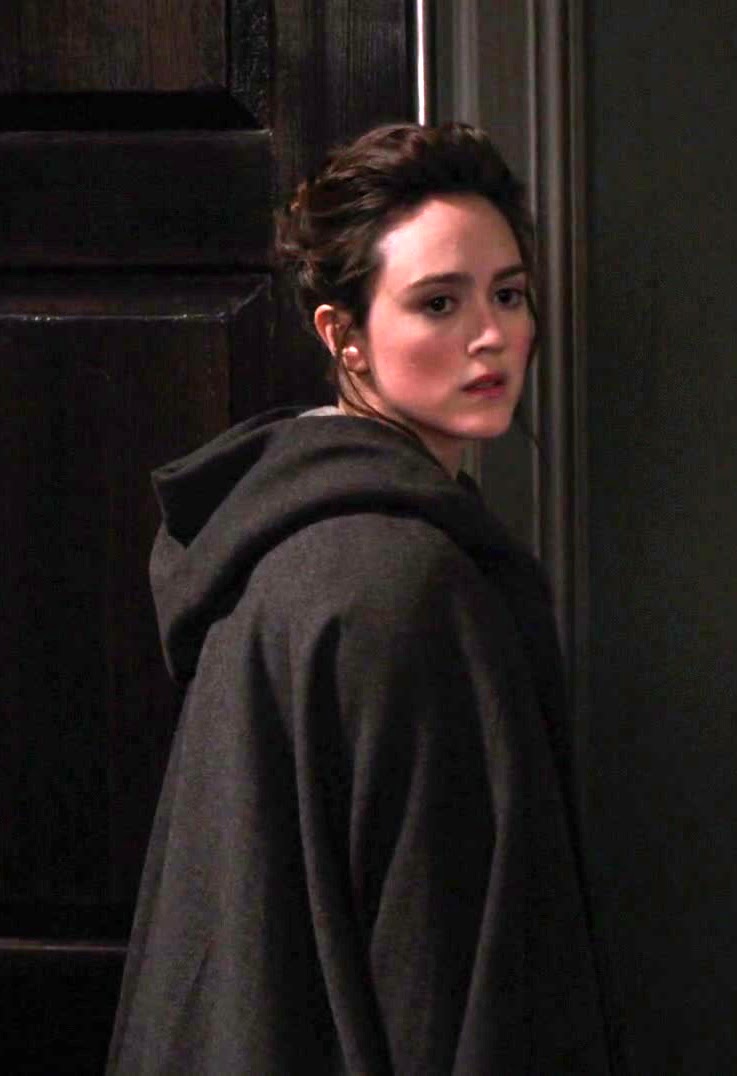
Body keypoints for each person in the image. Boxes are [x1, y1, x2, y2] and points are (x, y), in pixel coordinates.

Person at [107, 123, 611, 1074]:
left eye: (507, 293)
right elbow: (446, 965)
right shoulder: (395, 580)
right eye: (437, 302)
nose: (491, 335)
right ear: (344, 337)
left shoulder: (295, 538)